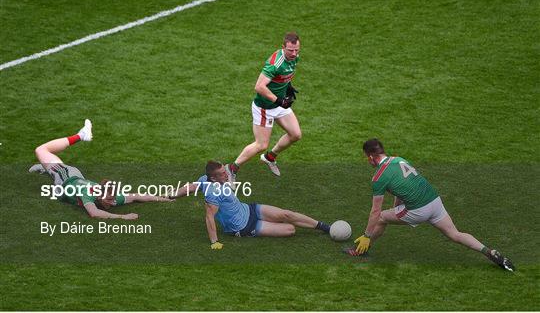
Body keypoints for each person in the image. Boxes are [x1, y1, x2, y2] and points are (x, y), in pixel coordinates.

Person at [346, 138, 515, 272]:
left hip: (419, 210)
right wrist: (397, 207)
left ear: (370, 156)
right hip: (434, 201)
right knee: (455, 234)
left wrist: (367, 235)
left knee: (382, 217)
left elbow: (375, 211)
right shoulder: (399, 159)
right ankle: (489, 252)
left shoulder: (378, 177)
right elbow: (404, 188)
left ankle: (361, 249)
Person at [29, 119, 173, 220]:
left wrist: (161, 199)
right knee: (41, 150)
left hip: (74, 178)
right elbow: (94, 213)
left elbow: (135, 196)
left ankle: (46, 167)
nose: (112, 203)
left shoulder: (111, 197)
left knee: (52, 165)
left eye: (112, 199)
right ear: (99, 195)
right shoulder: (88, 194)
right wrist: (124, 217)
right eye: (109, 200)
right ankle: (81, 136)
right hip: (67, 178)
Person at [171, 160, 330, 250]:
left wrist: (172, 195)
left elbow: (191, 187)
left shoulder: (205, 179)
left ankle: (324, 227)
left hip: (249, 209)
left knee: (286, 214)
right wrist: (214, 242)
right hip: (243, 227)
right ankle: (274, 225)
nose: (227, 174)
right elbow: (209, 217)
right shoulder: (213, 193)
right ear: (213, 178)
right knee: (290, 229)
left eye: (225, 171)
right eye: (222, 174)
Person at [225, 32, 302, 186]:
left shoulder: (294, 58)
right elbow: (259, 86)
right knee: (261, 144)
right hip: (264, 107)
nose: (294, 54)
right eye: (290, 50)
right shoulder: (275, 63)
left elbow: (283, 76)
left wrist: (288, 87)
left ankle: (269, 158)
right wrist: (279, 100)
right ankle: (231, 169)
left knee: (295, 134)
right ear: (283, 48)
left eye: (297, 50)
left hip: (278, 105)